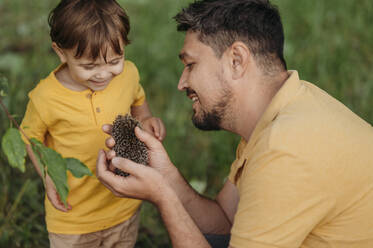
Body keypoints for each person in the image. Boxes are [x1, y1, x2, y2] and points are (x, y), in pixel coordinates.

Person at [96, 0, 373, 247]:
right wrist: (164, 176)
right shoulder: (286, 106)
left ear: (237, 60)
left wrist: (163, 198)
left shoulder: (286, 146)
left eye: (190, 65)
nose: (182, 83)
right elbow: (227, 221)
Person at [20, 0, 166, 247]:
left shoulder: (128, 74)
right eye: (89, 66)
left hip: (123, 206)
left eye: (114, 61)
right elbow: (30, 137)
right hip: (73, 217)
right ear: (60, 52)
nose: (103, 74)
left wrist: (146, 118)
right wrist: (48, 177)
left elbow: (137, 99)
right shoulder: (45, 97)